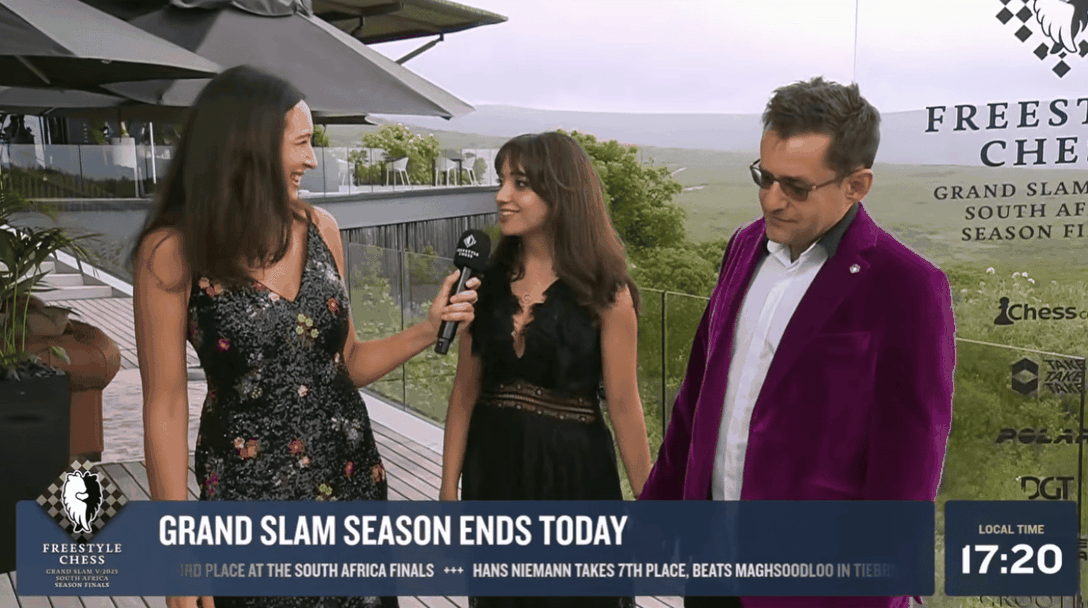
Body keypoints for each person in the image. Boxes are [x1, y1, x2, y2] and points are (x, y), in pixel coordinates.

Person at [131, 66, 479, 608]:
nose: (312, 160)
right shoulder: (173, 251)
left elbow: (349, 363)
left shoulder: (321, 229)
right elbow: (166, 406)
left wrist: (429, 329)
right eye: (301, 143)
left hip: (351, 485)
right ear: (250, 146)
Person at [639, 77, 956, 608]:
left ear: (857, 185)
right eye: (764, 177)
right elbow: (697, 394)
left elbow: (909, 464)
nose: (772, 199)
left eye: (796, 187)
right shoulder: (744, 246)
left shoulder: (908, 286)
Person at [440, 132, 652, 608]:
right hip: (492, 476)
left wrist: (652, 504)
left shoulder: (607, 292)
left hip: (575, 481)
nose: (502, 195)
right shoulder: (481, 284)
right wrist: (448, 489)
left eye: (520, 183)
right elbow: (464, 394)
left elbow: (624, 405)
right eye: (501, 180)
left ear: (561, 193)